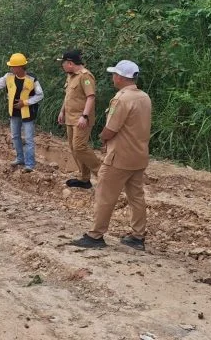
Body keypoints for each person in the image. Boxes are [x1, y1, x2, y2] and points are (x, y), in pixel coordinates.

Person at [70, 60, 152, 251]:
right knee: (136, 197)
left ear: (121, 77)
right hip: (139, 155)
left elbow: (111, 128)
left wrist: (102, 138)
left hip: (119, 156)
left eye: (114, 75)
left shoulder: (121, 99)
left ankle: (95, 235)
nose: (113, 78)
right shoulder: (144, 97)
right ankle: (138, 236)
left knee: (105, 195)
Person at [57, 50, 100, 189]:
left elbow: (91, 97)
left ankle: (103, 175)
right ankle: (84, 178)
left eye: (63, 63)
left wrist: (85, 116)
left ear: (70, 63)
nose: (62, 66)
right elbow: (68, 96)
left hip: (81, 119)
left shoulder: (85, 76)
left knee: (79, 146)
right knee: (74, 148)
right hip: (70, 118)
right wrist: (62, 111)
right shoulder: (70, 76)